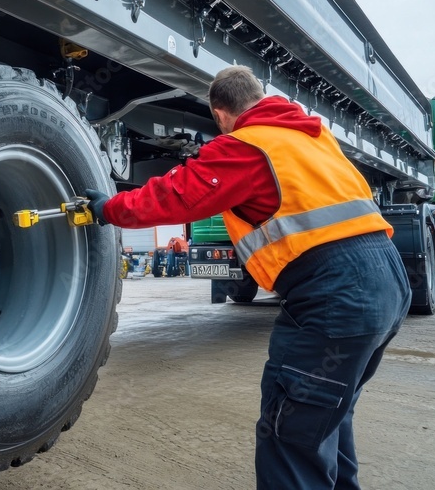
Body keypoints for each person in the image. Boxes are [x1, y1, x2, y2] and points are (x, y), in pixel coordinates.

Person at [85, 65, 411, 489]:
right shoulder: (313, 137)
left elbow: (176, 195)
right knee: (327, 416)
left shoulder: (245, 146)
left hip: (336, 295)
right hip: (388, 281)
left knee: (290, 433)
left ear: (220, 114)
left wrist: (108, 208)